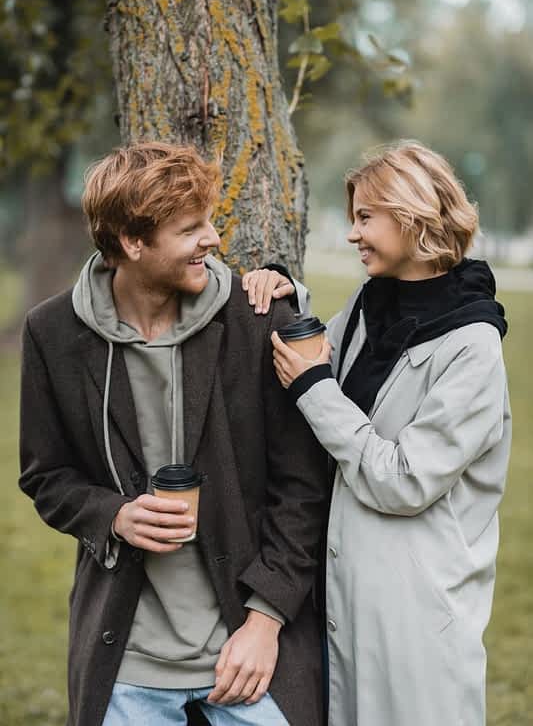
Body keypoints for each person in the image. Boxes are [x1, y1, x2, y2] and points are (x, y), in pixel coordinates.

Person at [19, 142, 328, 726]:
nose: (213, 239)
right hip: (127, 668)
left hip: (252, 656)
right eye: (192, 229)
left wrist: (265, 623)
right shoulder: (51, 333)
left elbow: (305, 487)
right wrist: (112, 516)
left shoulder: (259, 319)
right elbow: (46, 475)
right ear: (133, 243)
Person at [242, 140, 512, 726]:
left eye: (365, 217)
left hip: (418, 620)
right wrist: (287, 294)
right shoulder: (375, 302)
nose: (353, 234)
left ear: (412, 215)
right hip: (346, 600)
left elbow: (404, 481)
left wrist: (313, 387)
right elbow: (326, 353)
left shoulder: (473, 346)